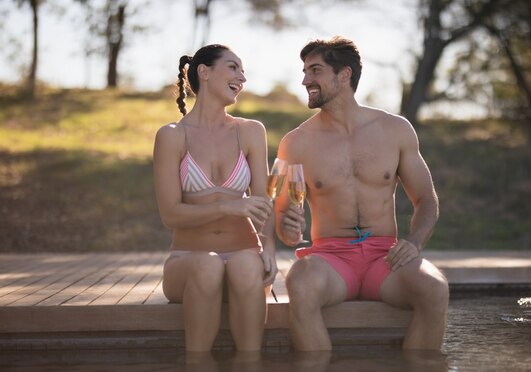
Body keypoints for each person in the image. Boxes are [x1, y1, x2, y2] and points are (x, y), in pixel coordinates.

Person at [274, 36, 449, 351]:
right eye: (304, 71)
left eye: (315, 71)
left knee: (435, 288)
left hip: (386, 258)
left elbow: (426, 200)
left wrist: (414, 242)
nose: (305, 80)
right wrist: (287, 231)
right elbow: (284, 216)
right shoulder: (296, 142)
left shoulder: (395, 130)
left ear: (344, 75)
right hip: (330, 260)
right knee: (300, 283)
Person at [153, 44, 276, 352]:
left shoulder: (250, 131)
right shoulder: (172, 135)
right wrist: (228, 206)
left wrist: (270, 248)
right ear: (204, 72)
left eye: (243, 71)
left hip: (244, 254)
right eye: (234, 67)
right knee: (208, 266)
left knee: (247, 266)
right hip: (188, 262)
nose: (242, 77)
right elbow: (171, 215)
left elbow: (263, 202)